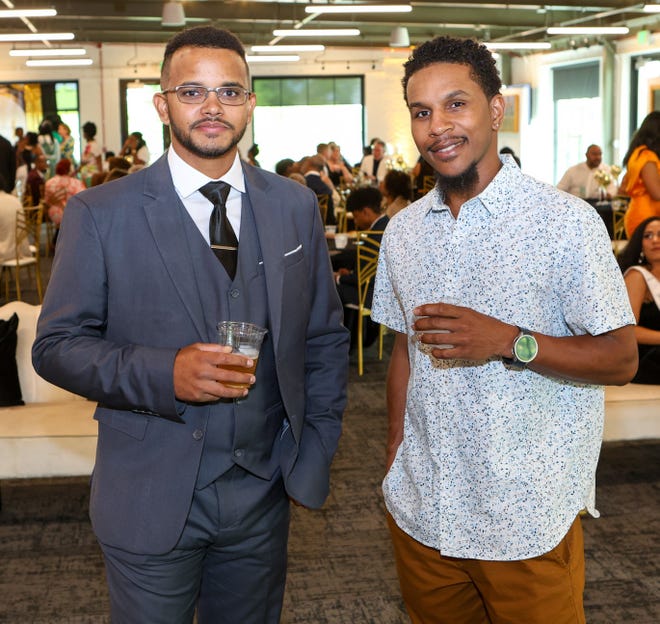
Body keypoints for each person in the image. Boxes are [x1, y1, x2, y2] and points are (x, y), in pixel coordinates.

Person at [32, 25, 349, 624]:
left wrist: (315, 450)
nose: (212, 107)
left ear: (250, 104)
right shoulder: (101, 213)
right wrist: (165, 372)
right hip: (150, 492)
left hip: (261, 491)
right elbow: (55, 347)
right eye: (192, 91)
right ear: (162, 103)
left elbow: (322, 338)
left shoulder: (292, 204)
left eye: (230, 92)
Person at [371, 35, 638, 624]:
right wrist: (396, 455)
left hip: (524, 518)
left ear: (495, 109)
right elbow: (403, 350)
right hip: (424, 512)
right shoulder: (405, 232)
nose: (437, 125)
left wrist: (510, 342)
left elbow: (622, 358)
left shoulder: (566, 224)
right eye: (422, 112)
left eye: (455, 104)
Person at [333, 186, 389, 349]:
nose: (355, 222)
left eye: (356, 217)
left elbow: (363, 278)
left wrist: (338, 278)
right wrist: (349, 273)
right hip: (382, 290)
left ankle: (346, 344)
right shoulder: (387, 224)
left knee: (332, 289)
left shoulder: (374, 236)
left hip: (372, 294)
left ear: (365, 212)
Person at [618, 216, 660, 384]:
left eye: (659, 234)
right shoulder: (637, 275)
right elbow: (627, 330)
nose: (655, 240)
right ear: (640, 245)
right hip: (647, 357)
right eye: (648, 236)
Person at [620, 111, 660, 238]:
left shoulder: (638, 154)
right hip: (646, 217)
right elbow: (656, 193)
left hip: (643, 213)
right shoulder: (647, 157)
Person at [43, 158, 86, 240]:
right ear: (69, 169)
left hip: (55, 215)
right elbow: (84, 197)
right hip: (73, 213)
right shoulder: (76, 182)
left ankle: (58, 238)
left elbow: (47, 202)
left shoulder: (49, 182)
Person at [79, 121, 103, 186]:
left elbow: (99, 161)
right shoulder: (89, 144)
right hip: (87, 175)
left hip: (92, 175)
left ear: (87, 133)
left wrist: (101, 176)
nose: (83, 134)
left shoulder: (94, 145)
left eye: (84, 132)